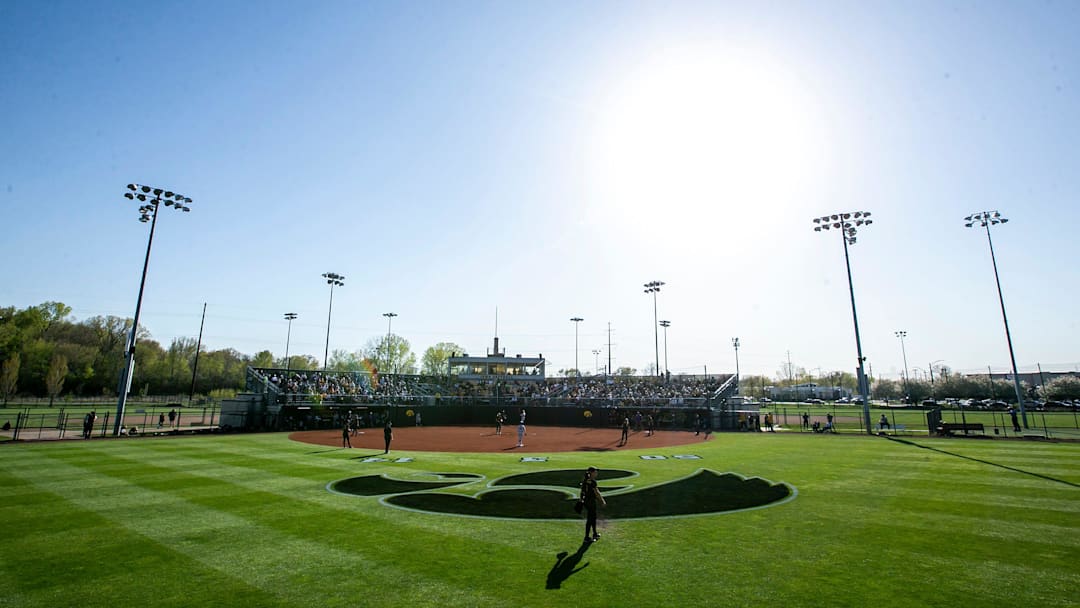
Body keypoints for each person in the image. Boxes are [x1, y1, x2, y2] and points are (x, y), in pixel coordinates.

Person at [579, 466, 606, 543]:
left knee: (592, 518)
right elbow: (597, 493)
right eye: (595, 472)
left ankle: (594, 533)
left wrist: (581, 500)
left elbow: (582, 491)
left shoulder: (585, 480)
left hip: (586, 502)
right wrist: (602, 501)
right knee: (590, 519)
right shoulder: (593, 482)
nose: (596, 473)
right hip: (591, 502)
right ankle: (586, 537)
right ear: (592, 473)